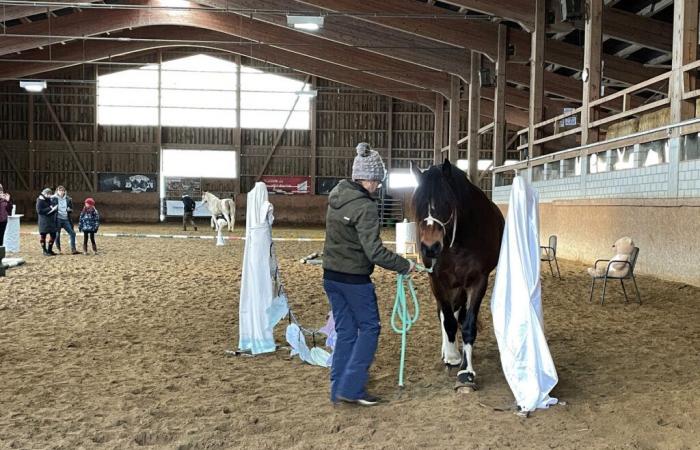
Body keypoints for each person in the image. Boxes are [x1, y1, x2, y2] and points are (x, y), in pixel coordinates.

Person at [322, 142, 414, 407]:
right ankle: (351, 387)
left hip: (331, 276)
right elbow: (374, 252)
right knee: (370, 328)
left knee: (346, 330)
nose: (378, 186)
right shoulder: (365, 207)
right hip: (354, 279)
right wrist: (403, 265)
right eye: (377, 181)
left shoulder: (337, 197)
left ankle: (338, 384)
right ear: (369, 179)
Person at [53, 185, 80, 255]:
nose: (61, 192)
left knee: (72, 233)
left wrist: (69, 210)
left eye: (62, 190)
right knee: (57, 234)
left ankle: (73, 249)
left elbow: (71, 209)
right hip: (57, 218)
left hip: (66, 219)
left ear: (64, 191)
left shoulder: (68, 199)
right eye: (60, 190)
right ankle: (59, 249)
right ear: (57, 191)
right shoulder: (53, 199)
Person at [36, 187, 59, 256]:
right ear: (45, 194)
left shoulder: (48, 199)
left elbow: (52, 204)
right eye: (48, 194)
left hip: (51, 220)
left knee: (53, 235)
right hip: (43, 220)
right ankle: (44, 250)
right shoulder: (40, 200)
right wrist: (50, 208)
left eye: (50, 194)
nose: (49, 196)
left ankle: (50, 249)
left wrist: (54, 208)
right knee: (43, 235)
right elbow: (39, 211)